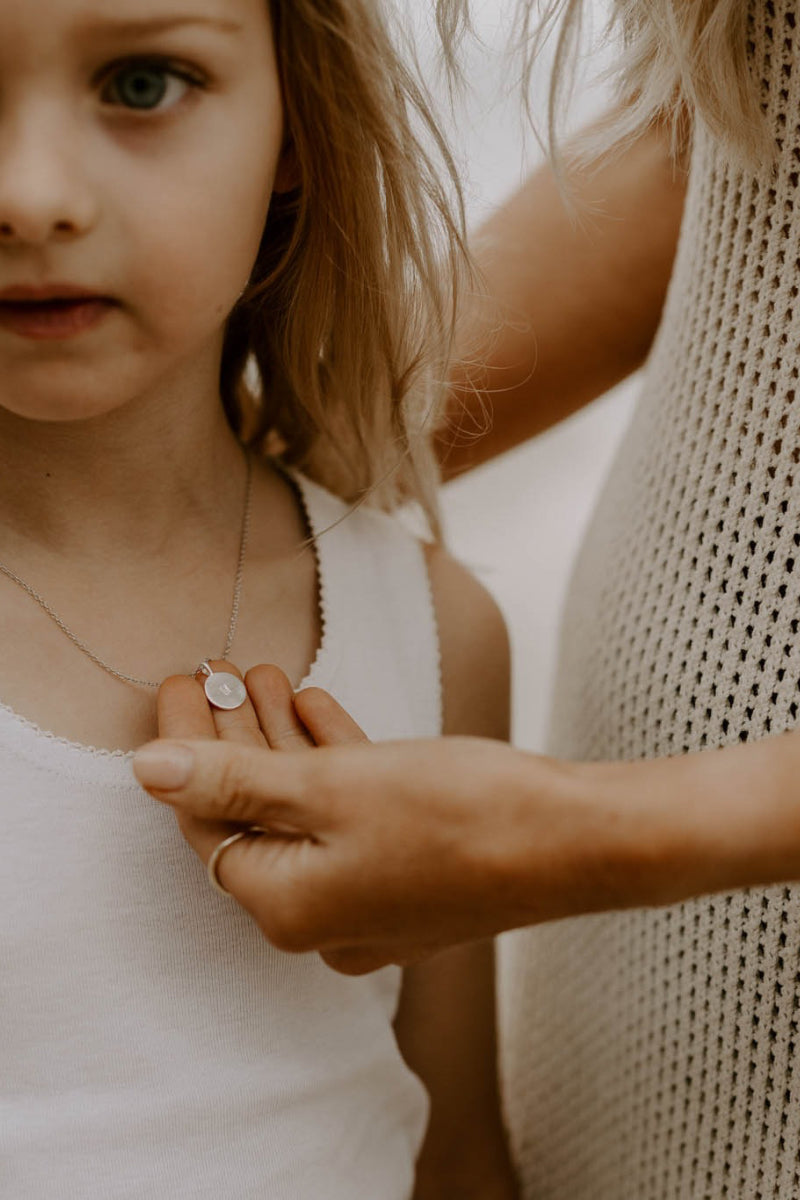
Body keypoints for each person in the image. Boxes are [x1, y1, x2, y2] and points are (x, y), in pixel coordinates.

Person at [134, 0, 800, 1196]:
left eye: (140, 85)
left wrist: (594, 832)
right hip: (623, 1021)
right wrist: (221, 465)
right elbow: (743, 132)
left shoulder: (438, 632)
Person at [0, 0, 520, 1196]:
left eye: (143, 85)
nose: (32, 196)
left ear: (296, 128)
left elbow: (456, 1155)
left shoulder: (435, 632)